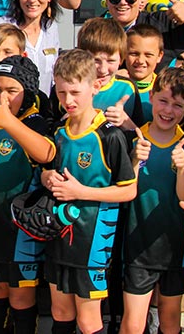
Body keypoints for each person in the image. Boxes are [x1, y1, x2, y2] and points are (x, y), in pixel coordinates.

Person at [41, 49, 141, 334]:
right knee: (60, 311)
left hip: (92, 239)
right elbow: (49, 172)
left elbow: (128, 191)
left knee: (88, 320)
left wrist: (80, 191)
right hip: (58, 234)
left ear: (95, 86)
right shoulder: (59, 130)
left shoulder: (109, 135)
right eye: (61, 93)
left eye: (75, 92)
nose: (68, 101)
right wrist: (47, 176)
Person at [0, 56, 56, 334]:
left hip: (21, 229)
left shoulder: (33, 120)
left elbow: (46, 152)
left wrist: (9, 122)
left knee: (20, 295)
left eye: (12, 91)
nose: (2, 97)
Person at [121, 67, 184, 334]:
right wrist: (133, 160)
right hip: (137, 245)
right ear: (151, 97)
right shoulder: (135, 137)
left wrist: (183, 168)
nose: (168, 110)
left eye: (178, 105)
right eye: (163, 101)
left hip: (174, 248)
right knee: (132, 323)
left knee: (169, 319)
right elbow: (124, 190)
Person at [76, 18, 144, 129]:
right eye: (96, 60)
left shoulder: (127, 88)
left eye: (111, 61)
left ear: (121, 59)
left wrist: (125, 121)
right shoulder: (68, 87)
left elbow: (140, 134)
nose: (103, 69)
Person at [124, 24, 164, 110]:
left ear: (159, 56)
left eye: (148, 55)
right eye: (134, 54)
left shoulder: (165, 90)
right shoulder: (112, 85)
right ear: (124, 53)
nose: (140, 61)